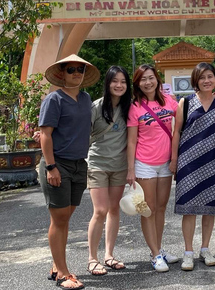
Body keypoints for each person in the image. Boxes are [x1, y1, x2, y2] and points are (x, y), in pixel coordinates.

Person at [39, 54, 100, 290]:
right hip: (59, 164)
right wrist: (51, 166)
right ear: (61, 73)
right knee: (59, 218)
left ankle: (57, 265)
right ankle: (63, 273)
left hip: (78, 164)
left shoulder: (86, 99)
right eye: (71, 69)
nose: (76, 73)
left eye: (80, 70)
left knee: (65, 217)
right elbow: (45, 134)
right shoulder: (54, 100)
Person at [170, 62, 215, 271]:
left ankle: (205, 248)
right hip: (188, 163)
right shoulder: (185, 103)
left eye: (210, 77)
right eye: (202, 77)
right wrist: (174, 159)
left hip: (214, 162)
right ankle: (188, 252)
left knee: (209, 209)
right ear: (196, 80)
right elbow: (176, 132)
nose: (207, 81)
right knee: (189, 210)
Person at [127, 64, 179, 272]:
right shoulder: (135, 107)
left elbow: (183, 124)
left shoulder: (170, 102)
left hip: (165, 164)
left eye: (151, 78)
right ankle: (155, 254)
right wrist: (130, 169)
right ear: (138, 83)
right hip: (144, 164)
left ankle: (158, 248)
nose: (148, 82)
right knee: (146, 210)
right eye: (143, 79)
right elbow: (131, 141)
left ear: (157, 79)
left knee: (160, 208)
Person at [86, 65, 131, 275]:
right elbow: (81, 131)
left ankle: (109, 255)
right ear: (108, 83)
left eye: (123, 81)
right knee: (100, 210)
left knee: (114, 209)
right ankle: (92, 258)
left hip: (119, 166)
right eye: (115, 81)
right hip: (98, 164)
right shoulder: (96, 106)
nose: (119, 85)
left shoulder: (129, 107)